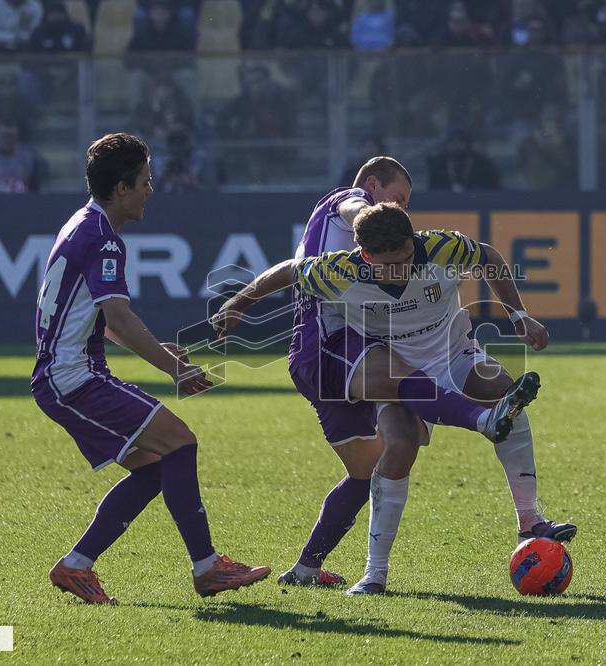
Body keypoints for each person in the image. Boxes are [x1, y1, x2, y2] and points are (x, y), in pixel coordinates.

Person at [215, 195, 576, 596]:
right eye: (387, 264)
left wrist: (519, 315)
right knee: (401, 446)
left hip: (454, 354)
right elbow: (286, 272)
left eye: (405, 255)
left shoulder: (441, 247)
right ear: (365, 255)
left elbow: (488, 256)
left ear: (412, 239)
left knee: (505, 392)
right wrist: (237, 303)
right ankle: (375, 574)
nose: (400, 269)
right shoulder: (340, 270)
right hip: (395, 371)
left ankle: (529, 520)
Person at [32, 133, 270, 603]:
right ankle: (207, 568)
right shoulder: (103, 240)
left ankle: (76, 566)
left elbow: (99, 316)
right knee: (180, 441)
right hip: (73, 378)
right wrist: (174, 369)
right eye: (144, 181)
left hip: (69, 374)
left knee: (155, 467)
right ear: (122, 188)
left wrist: (156, 350)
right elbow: (118, 315)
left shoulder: (82, 223)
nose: (150, 189)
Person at [427, 129, 501, 191]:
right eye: (452, 143)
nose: (456, 146)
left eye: (460, 142)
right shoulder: (438, 165)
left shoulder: (483, 164)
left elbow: (494, 188)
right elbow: (432, 190)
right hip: (444, 205)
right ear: (446, 145)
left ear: (468, 144)